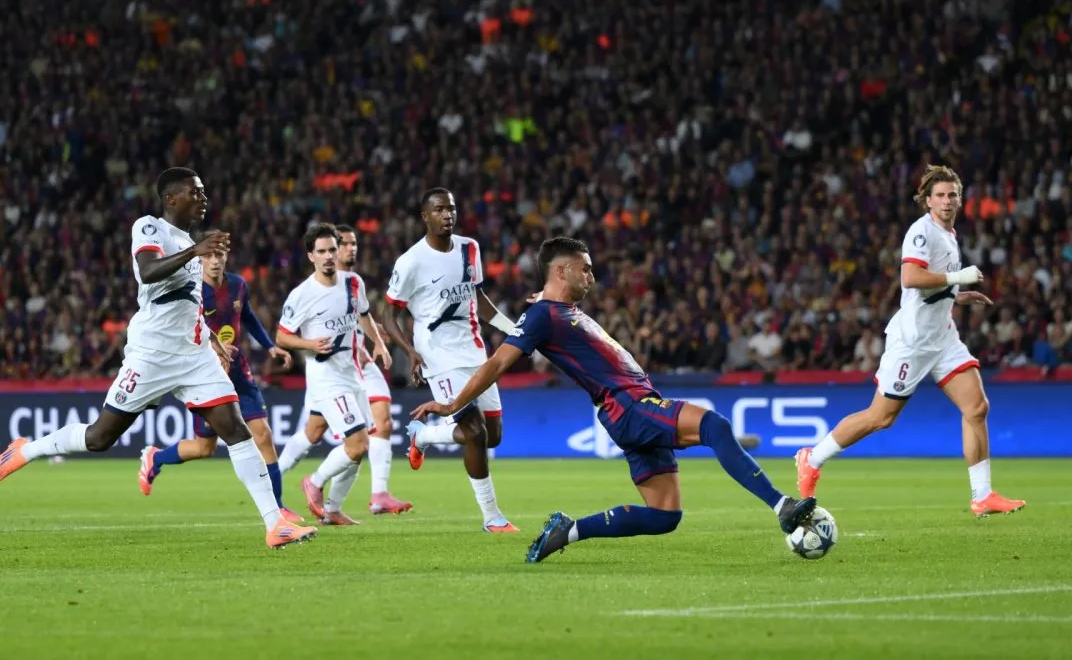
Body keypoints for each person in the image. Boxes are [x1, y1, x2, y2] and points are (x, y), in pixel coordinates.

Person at [410, 237, 817, 563]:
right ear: (561, 270)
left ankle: (569, 530)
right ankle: (781, 505)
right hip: (629, 405)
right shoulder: (542, 316)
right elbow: (498, 363)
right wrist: (451, 406)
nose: (592, 275)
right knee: (714, 426)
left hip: (629, 408)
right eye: (585, 268)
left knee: (664, 516)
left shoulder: (558, 310)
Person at [0, 167, 317, 549]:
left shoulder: (190, 245)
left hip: (194, 356)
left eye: (203, 192)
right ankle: (25, 450)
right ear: (172, 198)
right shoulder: (149, 227)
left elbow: (188, 304)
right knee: (99, 437)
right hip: (152, 355)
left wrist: (212, 339)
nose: (203, 199)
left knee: (237, 431)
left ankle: (275, 525)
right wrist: (195, 251)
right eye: (195, 192)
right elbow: (148, 272)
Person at [795, 165, 1026, 517]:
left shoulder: (949, 234)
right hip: (913, 342)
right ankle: (813, 458)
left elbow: (931, 288)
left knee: (977, 408)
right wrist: (957, 278)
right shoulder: (921, 232)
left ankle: (982, 496)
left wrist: (957, 295)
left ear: (959, 199)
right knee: (880, 417)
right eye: (940, 195)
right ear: (927, 201)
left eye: (952, 195)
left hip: (942, 337)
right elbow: (911, 277)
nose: (946, 201)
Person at [136, 240, 304, 523]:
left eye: (220, 254)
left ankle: (278, 507)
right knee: (205, 448)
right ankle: (156, 457)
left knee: (263, 435)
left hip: (237, 370)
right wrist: (212, 346)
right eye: (209, 255)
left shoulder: (237, 285)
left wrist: (269, 346)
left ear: (227, 256)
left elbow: (247, 316)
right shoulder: (190, 290)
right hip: (206, 373)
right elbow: (181, 328)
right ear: (200, 258)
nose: (214, 260)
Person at [382, 188, 520, 533]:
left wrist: (516, 330)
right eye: (439, 209)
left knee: (492, 436)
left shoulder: (469, 248)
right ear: (425, 216)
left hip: (473, 350)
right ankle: (492, 517)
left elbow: (479, 299)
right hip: (437, 353)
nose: (447, 215)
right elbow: (388, 314)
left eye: (452, 209)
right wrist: (410, 351)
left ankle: (424, 436)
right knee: (473, 431)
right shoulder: (411, 261)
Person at [278, 224, 413, 514]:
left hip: (351, 373)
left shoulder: (353, 282)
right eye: (322, 251)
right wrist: (309, 344)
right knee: (357, 443)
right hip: (325, 377)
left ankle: (333, 510)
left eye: (332, 249)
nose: (329, 255)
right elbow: (282, 336)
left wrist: (379, 343)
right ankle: (313, 482)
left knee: (349, 442)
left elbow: (363, 315)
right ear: (311, 256)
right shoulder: (302, 294)